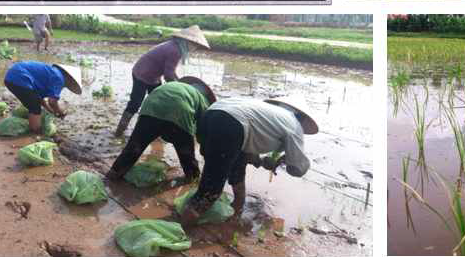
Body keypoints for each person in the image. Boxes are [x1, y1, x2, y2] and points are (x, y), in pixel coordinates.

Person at [179, 96, 318, 226]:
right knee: (210, 190)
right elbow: (298, 169)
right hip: (230, 124)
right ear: (303, 119)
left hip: (211, 114)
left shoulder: (268, 112)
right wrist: (287, 160)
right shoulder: (295, 126)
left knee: (236, 164)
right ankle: (179, 229)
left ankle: (238, 204)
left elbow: (248, 151)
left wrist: (263, 161)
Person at [106, 76, 217, 183]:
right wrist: (204, 148)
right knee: (185, 152)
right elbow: (202, 129)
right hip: (179, 113)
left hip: (150, 109)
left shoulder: (173, 85)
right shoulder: (202, 99)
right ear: (205, 94)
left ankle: (114, 173)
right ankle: (193, 178)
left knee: (135, 145)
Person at [114, 25, 211, 136]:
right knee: (135, 103)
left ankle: (155, 130)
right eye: (194, 45)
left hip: (153, 76)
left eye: (197, 46)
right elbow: (168, 75)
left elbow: (171, 72)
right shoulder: (175, 50)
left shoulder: (174, 45)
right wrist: (178, 89)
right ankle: (120, 130)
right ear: (186, 41)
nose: (194, 48)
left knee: (159, 102)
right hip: (142, 74)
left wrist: (179, 82)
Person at [3, 61, 82, 133]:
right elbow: (52, 101)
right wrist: (60, 112)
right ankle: (35, 131)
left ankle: (33, 127)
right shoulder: (59, 78)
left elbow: (39, 97)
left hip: (11, 78)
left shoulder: (53, 73)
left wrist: (49, 110)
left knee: (34, 102)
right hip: (20, 78)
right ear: (69, 78)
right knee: (35, 108)